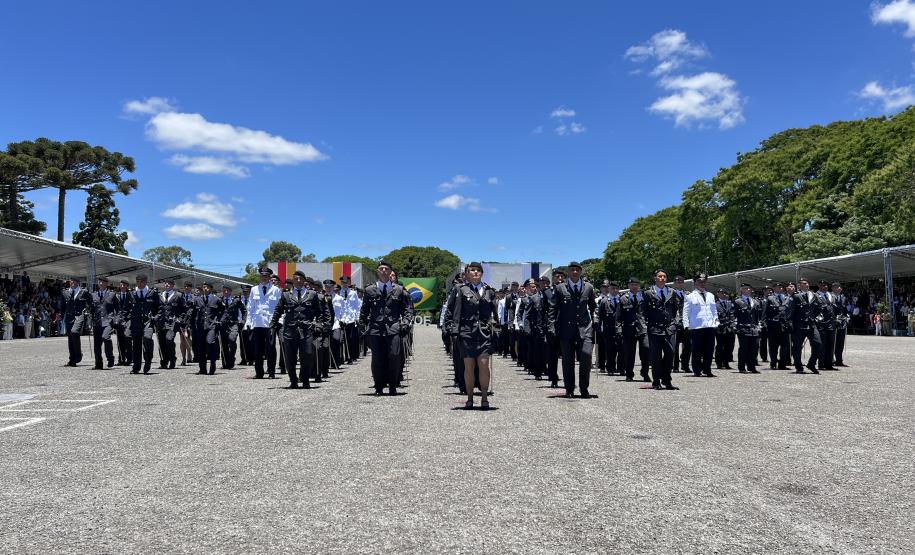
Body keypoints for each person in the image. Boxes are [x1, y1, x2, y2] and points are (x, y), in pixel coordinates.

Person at [444, 262, 497, 409]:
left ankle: (485, 397)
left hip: (484, 333)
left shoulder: (489, 291)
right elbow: (451, 311)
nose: (475, 272)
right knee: (469, 366)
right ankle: (470, 398)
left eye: (478, 270)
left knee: (483, 365)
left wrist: (496, 330)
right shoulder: (460, 289)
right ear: (467, 273)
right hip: (466, 332)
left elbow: (495, 313)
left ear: (482, 273)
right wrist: (452, 330)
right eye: (472, 270)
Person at [359, 261, 411, 395]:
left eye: (386, 269)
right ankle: (379, 386)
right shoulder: (370, 290)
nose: (383, 270)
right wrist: (362, 327)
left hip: (393, 328)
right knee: (377, 358)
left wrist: (405, 323)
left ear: (390, 272)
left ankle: (393, 385)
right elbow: (364, 311)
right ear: (378, 271)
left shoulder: (399, 290)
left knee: (394, 356)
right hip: (376, 329)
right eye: (381, 268)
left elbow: (407, 310)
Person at [547, 261, 598, 398]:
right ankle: (569, 388)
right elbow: (553, 308)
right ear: (568, 272)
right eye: (572, 270)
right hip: (566, 329)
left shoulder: (588, 287)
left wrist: (596, 319)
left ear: (581, 272)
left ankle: (584, 388)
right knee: (568, 361)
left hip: (585, 328)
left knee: (586, 358)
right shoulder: (560, 288)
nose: (575, 272)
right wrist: (551, 325)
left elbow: (593, 306)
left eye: (577, 270)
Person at [270, 271, 328, 389]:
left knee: (307, 354)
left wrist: (319, 325)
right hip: (290, 330)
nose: (298, 281)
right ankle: (293, 380)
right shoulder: (286, 295)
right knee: (290, 357)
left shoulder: (312, 294)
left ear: (304, 281)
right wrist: (273, 323)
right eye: (295, 279)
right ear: (293, 280)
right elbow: (278, 310)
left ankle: (305, 379)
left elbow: (319, 312)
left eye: (300, 279)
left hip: (306, 330)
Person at [642, 269, 681, 390]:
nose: (662, 278)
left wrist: (675, 323)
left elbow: (677, 310)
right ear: (655, 278)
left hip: (669, 328)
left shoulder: (672, 292)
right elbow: (642, 312)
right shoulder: (648, 293)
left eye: (664, 276)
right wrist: (645, 326)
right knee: (656, 356)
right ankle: (656, 380)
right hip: (654, 329)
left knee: (670, 354)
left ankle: (666, 379)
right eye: (660, 276)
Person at [246, 268, 282, 379]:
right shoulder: (254, 289)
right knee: (258, 349)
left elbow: (280, 307)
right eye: (262, 276)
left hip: (270, 323)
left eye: (266, 276)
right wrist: (248, 322)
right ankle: (259, 373)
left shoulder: (276, 290)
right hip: (257, 323)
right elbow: (250, 307)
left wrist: (279, 321)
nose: (264, 277)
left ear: (270, 277)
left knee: (270, 348)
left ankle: (271, 372)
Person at [683, 273, 718, 377]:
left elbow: (714, 310)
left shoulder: (711, 295)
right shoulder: (690, 296)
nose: (702, 284)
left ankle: (707, 369)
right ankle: (697, 370)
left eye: (704, 282)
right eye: (699, 281)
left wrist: (716, 323)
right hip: (697, 326)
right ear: (695, 283)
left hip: (710, 326)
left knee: (709, 349)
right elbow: (686, 312)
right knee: (697, 349)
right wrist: (686, 325)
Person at [786, 278, 823, 374]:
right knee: (797, 347)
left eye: (806, 283)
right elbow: (790, 310)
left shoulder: (814, 295)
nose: (805, 285)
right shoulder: (796, 296)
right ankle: (798, 366)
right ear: (799, 286)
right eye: (802, 284)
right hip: (799, 324)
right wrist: (789, 323)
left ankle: (811, 363)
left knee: (818, 343)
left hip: (811, 324)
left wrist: (816, 317)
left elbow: (820, 307)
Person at [129, 274, 160, 374]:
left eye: (141, 281)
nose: (139, 283)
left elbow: (159, 307)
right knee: (136, 344)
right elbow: (125, 309)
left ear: (146, 282)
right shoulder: (132, 293)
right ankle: (136, 366)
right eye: (137, 281)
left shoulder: (153, 293)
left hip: (148, 321)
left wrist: (156, 317)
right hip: (136, 322)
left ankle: (148, 362)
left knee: (147, 339)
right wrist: (125, 320)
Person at [619, 277, 649, 382]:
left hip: (643, 328)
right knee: (629, 354)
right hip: (629, 329)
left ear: (639, 286)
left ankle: (645, 372)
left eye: (636, 284)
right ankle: (629, 374)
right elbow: (618, 316)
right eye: (632, 285)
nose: (634, 286)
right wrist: (618, 330)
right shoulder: (623, 298)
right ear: (628, 286)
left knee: (646, 350)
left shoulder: (644, 297)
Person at [190, 282, 223, 375]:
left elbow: (224, 311)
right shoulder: (198, 300)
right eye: (204, 287)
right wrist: (191, 325)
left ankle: (213, 364)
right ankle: (202, 369)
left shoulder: (217, 299)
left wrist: (219, 320)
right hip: (200, 327)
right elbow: (193, 313)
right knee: (201, 348)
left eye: (207, 287)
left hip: (211, 326)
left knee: (210, 342)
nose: (205, 289)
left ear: (211, 289)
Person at [89, 276, 118, 369]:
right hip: (97, 322)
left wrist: (115, 320)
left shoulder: (112, 295)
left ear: (106, 283)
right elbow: (91, 310)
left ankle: (110, 357)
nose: (100, 283)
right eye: (99, 282)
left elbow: (118, 309)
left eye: (103, 282)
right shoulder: (93, 295)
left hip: (108, 321)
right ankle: (98, 364)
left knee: (106, 337)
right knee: (97, 344)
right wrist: (90, 322)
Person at [157, 279, 185, 369]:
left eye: (169, 283)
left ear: (173, 285)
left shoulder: (178, 295)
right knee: (161, 342)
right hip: (161, 322)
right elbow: (156, 308)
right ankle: (164, 361)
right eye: (165, 283)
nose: (167, 285)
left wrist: (180, 319)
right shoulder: (160, 295)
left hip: (172, 323)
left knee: (169, 340)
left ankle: (172, 359)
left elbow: (184, 309)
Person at [62, 277, 90, 366]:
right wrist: (61, 316)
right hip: (69, 316)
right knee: (70, 337)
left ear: (78, 282)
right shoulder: (65, 292)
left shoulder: (84, 292)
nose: (72, 283)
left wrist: (88, 312)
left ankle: (78, 354)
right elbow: (62, 306)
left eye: (74, 281)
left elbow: (90, 303)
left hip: (80, 315)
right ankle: (72, 360)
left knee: (74, 332)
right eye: (71, 281)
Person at [733, 283, 761, 374]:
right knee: (744, 348)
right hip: (743, 328)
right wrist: (735, 326)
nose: (748, 290)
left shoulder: (755, 302)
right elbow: (734, 315)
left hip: (753, 329)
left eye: (749, 289)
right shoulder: (738, 302)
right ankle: (742, 367)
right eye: (746, 288)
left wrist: (758, 325)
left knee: (754, 348)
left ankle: (751, 366)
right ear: (741, 290)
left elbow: (757, 316)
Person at [596, 280, 622, 376]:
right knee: (610, 350)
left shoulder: (622, 300)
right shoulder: (604, 301)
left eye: (616, 288)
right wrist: (600, 329)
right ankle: (610, 368)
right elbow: (600, 316)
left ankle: (621, 368)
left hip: (620, 329)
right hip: (608, 329)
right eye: (612, 288)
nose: (614, 290)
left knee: (621, 349)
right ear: (609, 289)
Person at [762, 283, 791, 369]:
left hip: (784, 326)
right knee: (773, 346)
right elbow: (764, 312)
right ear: (774, 288)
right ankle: (773, 362)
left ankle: (782, 364)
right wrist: (764, 324)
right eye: (778, 287)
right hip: (773, 326)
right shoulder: (770, 298)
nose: (780, 289)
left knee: (784, 346)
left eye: (781, 287)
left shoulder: (787, 298)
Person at [335, 275, 361, 364]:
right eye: (343, 283)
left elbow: (357, 306)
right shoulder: (338, 293)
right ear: (341, 283)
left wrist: (357, 317)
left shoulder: (353, 293)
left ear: (348, 283)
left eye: (346, 283)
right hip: (342, 319)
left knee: (351, 338)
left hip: (351, 318)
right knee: (341, 339)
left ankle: (351, 356)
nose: (344, 284)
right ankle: (342, 357)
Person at [219, 285, 245, 369]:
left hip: (234, 323)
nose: (225, 292)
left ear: (230, 292)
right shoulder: (219, 300)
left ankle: (232, 357)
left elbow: (244, 310)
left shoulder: (236, 300)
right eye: (224, 290)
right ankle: (225, 362)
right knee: (224, 344)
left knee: (232, 339)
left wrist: (243, 320)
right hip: (223, 324)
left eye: (227, 290)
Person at [672, 275, 691, 372]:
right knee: (674, 346)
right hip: (675, 323)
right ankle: (675, 367)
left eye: (681, 282)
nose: (679, 283)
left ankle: (685, 365)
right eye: (677, 282)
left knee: (688, 345)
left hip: (686, 323)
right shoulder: (670, 293)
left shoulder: (687, 294)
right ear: (674, 283)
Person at [715, 289, 736, 369]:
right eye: (721, 293)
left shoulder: (730, 303)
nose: (723, 294)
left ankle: (726, 362)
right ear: (717, 294)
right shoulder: (715, 304)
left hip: (729, 328)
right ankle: (719, 363)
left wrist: (733, 325)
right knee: (720, 346)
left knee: (729, 346)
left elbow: (733, 314)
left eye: (724, 293)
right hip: (720, 328)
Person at [114, 279, 133, 367]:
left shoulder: (131, 295)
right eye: (121, 285)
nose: (122, 286)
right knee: (120, 339)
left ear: (127, 286)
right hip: (118, 320)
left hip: (128, 319)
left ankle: (129, 358)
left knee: (127, 337)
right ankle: (121, 359)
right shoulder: (116, 295)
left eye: (124, 285)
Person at [831, 282, 849, 366]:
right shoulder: (830, 297)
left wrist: (847, 316)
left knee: (841, 341)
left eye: (839, 287)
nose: (838, 289)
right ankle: (830, 359)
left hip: (842, 322)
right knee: (832, 341)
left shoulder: (844, 298)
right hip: (833, 322)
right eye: (836, 287)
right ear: (833, 288)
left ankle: (839, 360)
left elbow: (845, 309)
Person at [179, 281, 195, 366]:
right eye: (185, 286)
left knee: (187, 337)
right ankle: (183, 358)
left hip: (190, 320)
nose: (186, 288)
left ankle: (189, 354)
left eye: (188, 286)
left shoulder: (194, 297)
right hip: (182, 320)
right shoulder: (180, 296)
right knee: (182, 339)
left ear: (191, 288)